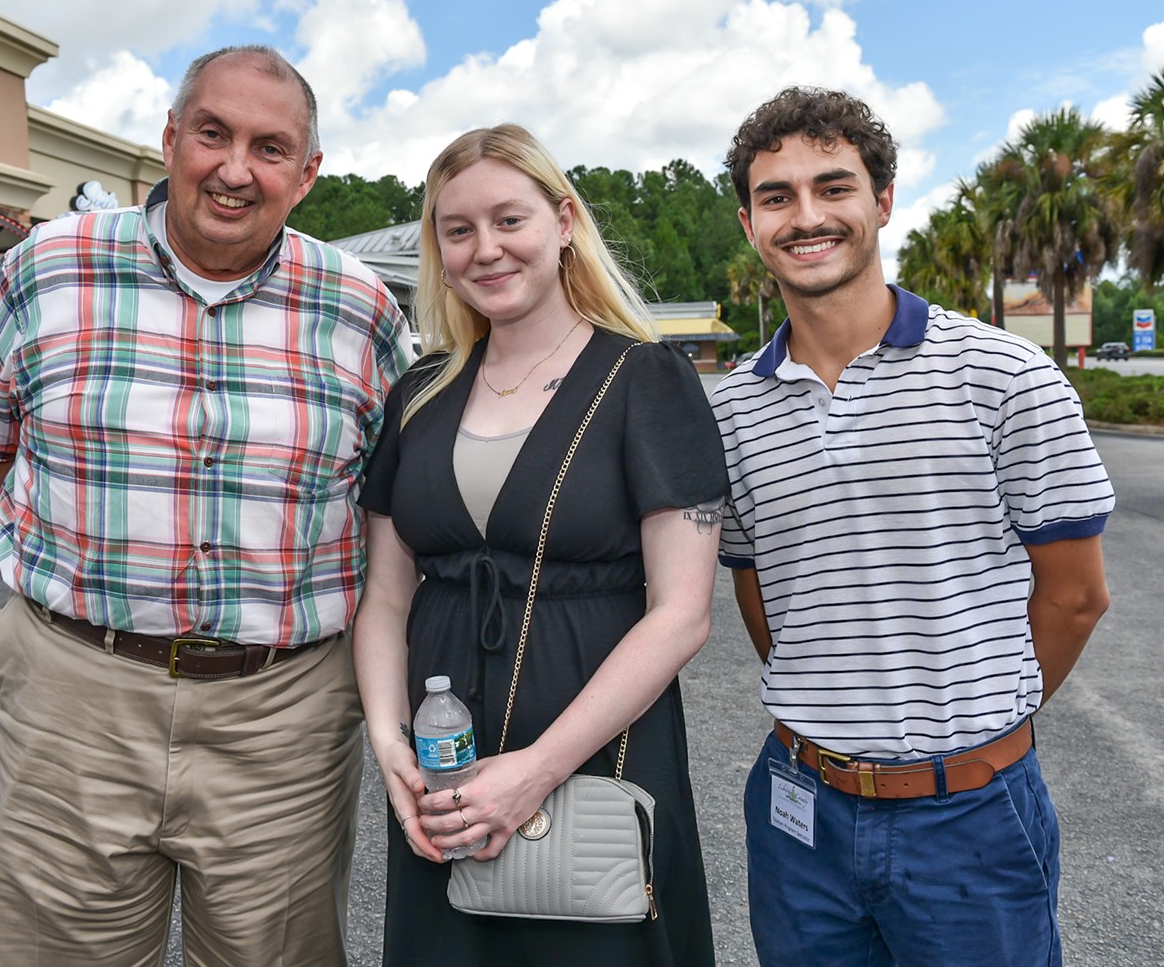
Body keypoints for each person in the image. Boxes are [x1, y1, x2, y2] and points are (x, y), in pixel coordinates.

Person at [0, 45, 410, 966]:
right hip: (75, 696)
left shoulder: (360, 308)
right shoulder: (48, 268)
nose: (235, 170)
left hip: (283, 716)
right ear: (168, 140)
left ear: (307, 176)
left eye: (270, 148)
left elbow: (387, 502)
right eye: (213, 134)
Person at [710, 86, 1115, 967]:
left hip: (970, 813)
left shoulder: (1006, 375)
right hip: (798, 807)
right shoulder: (731, 408)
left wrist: (968, 730)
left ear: (882, 201)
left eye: (834, 186)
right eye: (776, 197)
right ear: (749, 222)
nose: (806, 216)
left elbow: (1076, 596)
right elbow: (756, 582)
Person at [352, 123, 727, 965]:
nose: (486, 249)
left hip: (598, 747)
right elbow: (386, 593)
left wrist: (533, 771)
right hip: (442, 765)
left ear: (564, 222)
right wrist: (389, 741)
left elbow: (682, 614)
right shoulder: (417, 394)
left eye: (509, 220)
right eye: (458, 230)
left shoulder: (646, 381)